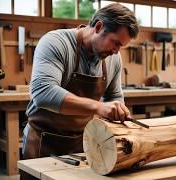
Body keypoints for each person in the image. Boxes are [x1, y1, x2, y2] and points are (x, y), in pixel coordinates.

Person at [22, 3, 139, 162]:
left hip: (82, 143)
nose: (116, 51)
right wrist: (99, 107)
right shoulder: (56, 42)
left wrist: (117, 110)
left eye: (121, 46)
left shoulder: (113, 59)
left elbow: (114, 96)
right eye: (115, 42)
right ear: (98, 27)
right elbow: (43, 93)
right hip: (43, 141)